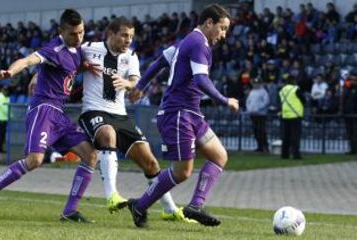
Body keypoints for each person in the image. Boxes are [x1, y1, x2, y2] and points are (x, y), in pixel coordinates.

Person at [128, 4, 239, 227]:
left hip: (191, 114)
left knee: (219, 156)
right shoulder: (198, 43)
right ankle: (139, 206)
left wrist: (141, 85)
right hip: (177, 114)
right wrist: (225, 100)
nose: (224, 35)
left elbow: (160, 60)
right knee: (182, 172)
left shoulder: (186, 42)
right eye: (222, 28)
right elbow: (200, 79)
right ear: (209, 23)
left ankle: (195, 205)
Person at [79, 17, 192, 222]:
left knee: (150, 162)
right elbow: (65, 59)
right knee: (107, 134)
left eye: (131, 36)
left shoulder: (130, 56)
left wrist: (129, 85)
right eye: (123, 35)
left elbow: (135, 80)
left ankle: (169, 209)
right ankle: (111, 195)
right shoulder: (88, 48)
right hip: (93, 111)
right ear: (110, 34)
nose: (128, 40)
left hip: (120, 114)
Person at [0, 9, 98, 223]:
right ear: (61, 31)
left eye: (81, 32)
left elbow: (67, 69)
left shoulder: (77, 50)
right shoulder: (54, 48)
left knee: (90, 155)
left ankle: (69, 212)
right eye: (73, 33)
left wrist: (83, 67)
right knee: (34, 160)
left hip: (59, 115)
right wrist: (10, 72)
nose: (78, 37)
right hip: (43, 109)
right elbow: (27, 60)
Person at [278, 76, 305, 159]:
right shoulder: (296, 89)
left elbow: (279, 102)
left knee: (285, 137)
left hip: (285, 116)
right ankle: (296, 154)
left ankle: (284, 154)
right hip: (295, 115)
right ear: (293, 81)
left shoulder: (282, 91)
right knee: (295, 137)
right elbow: (303, 100)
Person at [246, 77, 270, 153]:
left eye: (257, 83)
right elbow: (248, 101)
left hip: (261, 114)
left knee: (262, 131)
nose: (256, 84)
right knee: (256, 131)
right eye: (255, 83)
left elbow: (266, 102)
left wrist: (258, 108)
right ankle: (259, 146)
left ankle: (265, 146)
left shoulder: (263, 92)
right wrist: (249, 108)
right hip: (253, 114)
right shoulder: (252, 92)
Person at [0, 85, 10, 153]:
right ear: (2, 90)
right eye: (5, 90)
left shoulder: (5, 97)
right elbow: (5, 109)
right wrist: (11, 115)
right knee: (0, 135)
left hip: (3, 119)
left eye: (7, 90)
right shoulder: (0, 98)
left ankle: (0, 148)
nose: (6, 91)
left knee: (2, 135)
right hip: (0, 119)